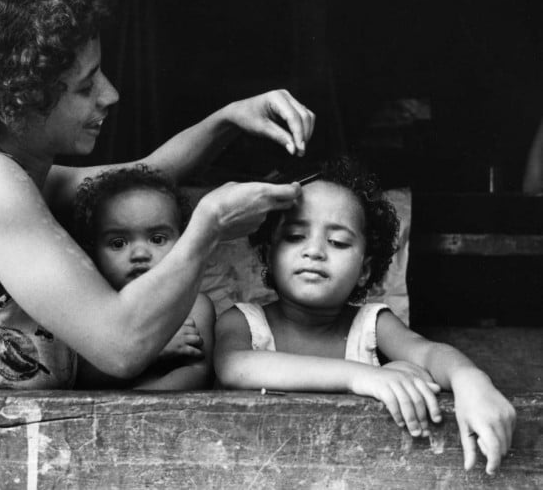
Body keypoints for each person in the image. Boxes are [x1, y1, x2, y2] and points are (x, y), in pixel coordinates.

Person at [0, 0, 315, 390]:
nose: (110, 94)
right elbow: (120, 345)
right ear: (15, 104)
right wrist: (210, 225)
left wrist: (228, 119)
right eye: (86, 86)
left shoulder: (16, 176)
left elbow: (148, 174)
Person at [214, 156, 516, 475]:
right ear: (268, 254)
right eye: (294, 236)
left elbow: (428, 352)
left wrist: (469, 379)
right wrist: (363, 377)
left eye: (338, 242)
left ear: (365, 270)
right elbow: (235, 367)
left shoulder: (372, 324)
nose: (314, 250)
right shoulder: (242, 322)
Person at [71, 164, 214, 390]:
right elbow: (77, 376)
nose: (140, 254)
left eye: (157, 239)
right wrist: (152, 352)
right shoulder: (92, 306)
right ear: (92, 250)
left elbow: (197, 372)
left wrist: (137, 407)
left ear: (183, 241)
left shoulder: (193, 305)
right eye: (118, 243)